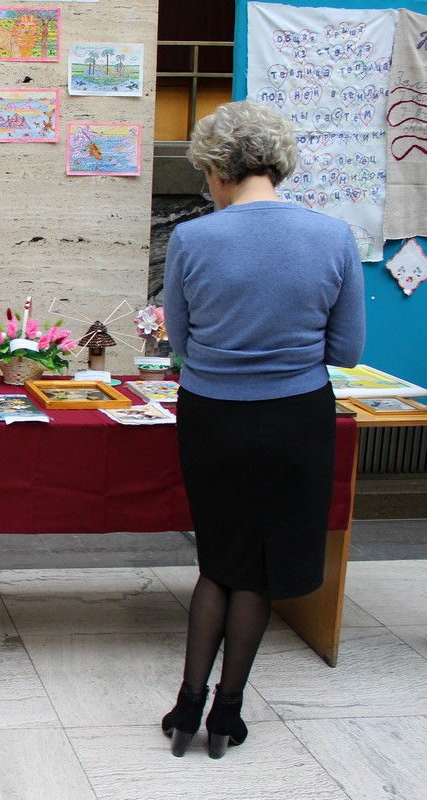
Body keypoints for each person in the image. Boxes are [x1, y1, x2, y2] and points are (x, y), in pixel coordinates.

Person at [160, 101, 365, 759]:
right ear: (278, 164)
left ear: (218, 168)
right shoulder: (334, 237)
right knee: (259, 568)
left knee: (219, 557)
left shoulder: (193, 239)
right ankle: (227, 713)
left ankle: (188, 705)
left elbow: (179, 342)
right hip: (296, 418)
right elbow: (347, 350)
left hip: (212, 416)